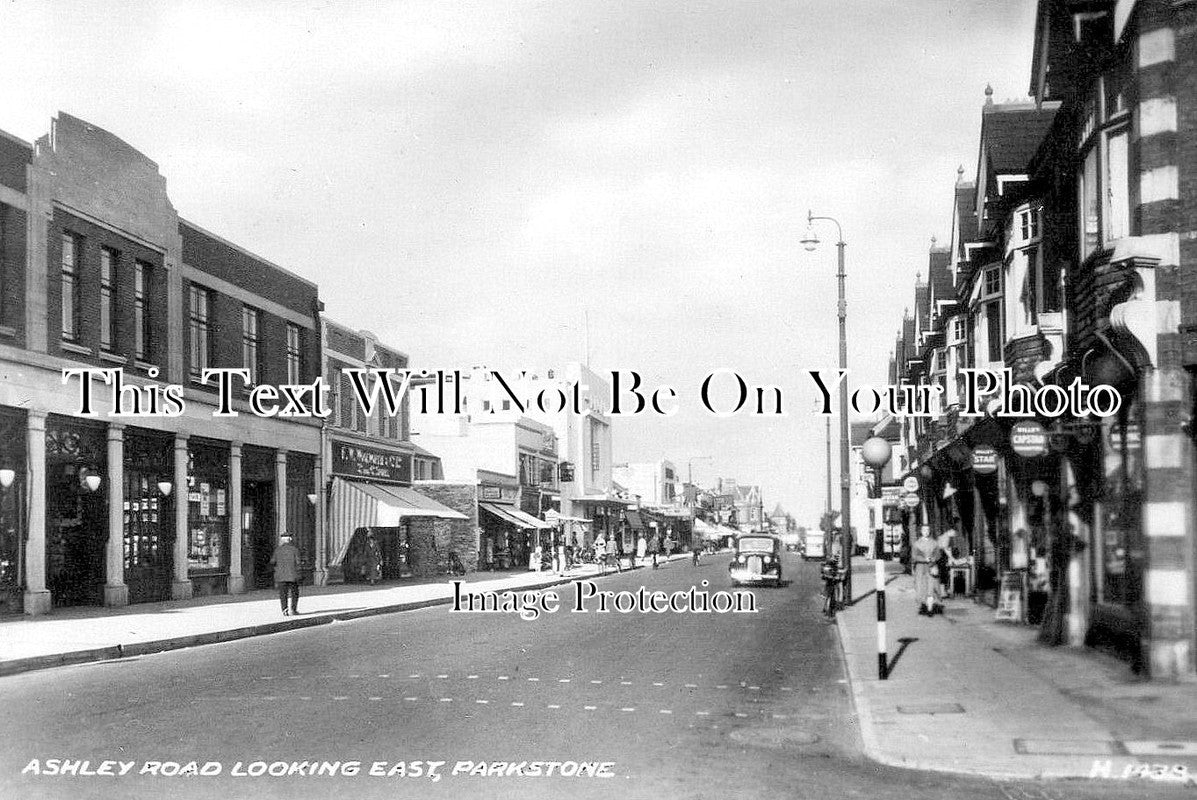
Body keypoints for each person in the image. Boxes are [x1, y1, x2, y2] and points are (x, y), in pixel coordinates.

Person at [912, 526, 941, 615]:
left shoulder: (934, 543)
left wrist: (932, 559)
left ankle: (930, 609)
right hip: (920, 567)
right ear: (921, 531)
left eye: (928, 530)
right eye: (924, 530)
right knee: (921, 586)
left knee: (931, 586)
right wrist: (924, 559)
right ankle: (923, 604)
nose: (926, 532)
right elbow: (914, 556)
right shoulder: (916, 544)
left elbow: (938, 555)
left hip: (931, 566)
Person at [270, 534, 301, 616]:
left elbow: (273, 561)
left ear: (282, 540)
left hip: (281, 576)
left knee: (283, 593)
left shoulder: (277, 550)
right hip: (292, 575)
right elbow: (298, 562)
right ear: (290, 539)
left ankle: (284, 609)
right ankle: (293, 609)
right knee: (295, 593)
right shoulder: (294, 550)